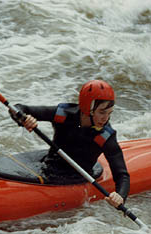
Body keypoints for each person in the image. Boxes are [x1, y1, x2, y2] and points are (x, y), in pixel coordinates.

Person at [11, 80, 130, 208]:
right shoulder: (63, 114)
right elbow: (18, 108)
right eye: (102, 112)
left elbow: (122, 175)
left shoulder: (105, 136)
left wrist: (120, 196)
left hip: (76, 176)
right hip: (49, 167)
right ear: (87, 108)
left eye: (109, 113)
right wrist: (24, 119)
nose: (105, 118)